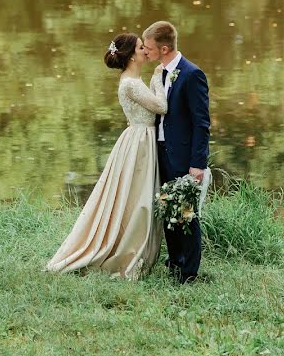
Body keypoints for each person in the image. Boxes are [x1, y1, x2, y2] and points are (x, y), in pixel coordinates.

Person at [45, 33, 165, 278]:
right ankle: (126, 249)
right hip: (140, 143)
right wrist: (159, 81)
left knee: (132, 196)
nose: (146, 50)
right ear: (132, 55)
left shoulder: (132, 79)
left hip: (139, 139)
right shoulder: (131, 83)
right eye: (142, 47)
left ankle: (128, 241)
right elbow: (161, 107)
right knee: (137, 198)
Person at [143, 21, 210, 284]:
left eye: (148, 48)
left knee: (185, 212)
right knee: (167, 208)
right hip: (161, 151)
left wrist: (198, 164)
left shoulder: (192, 74)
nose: (145, 52)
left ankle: (189, 272)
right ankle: (174, 262)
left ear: (164, 48)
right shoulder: (160, 73)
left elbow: (201, 123)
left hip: (183, 157)